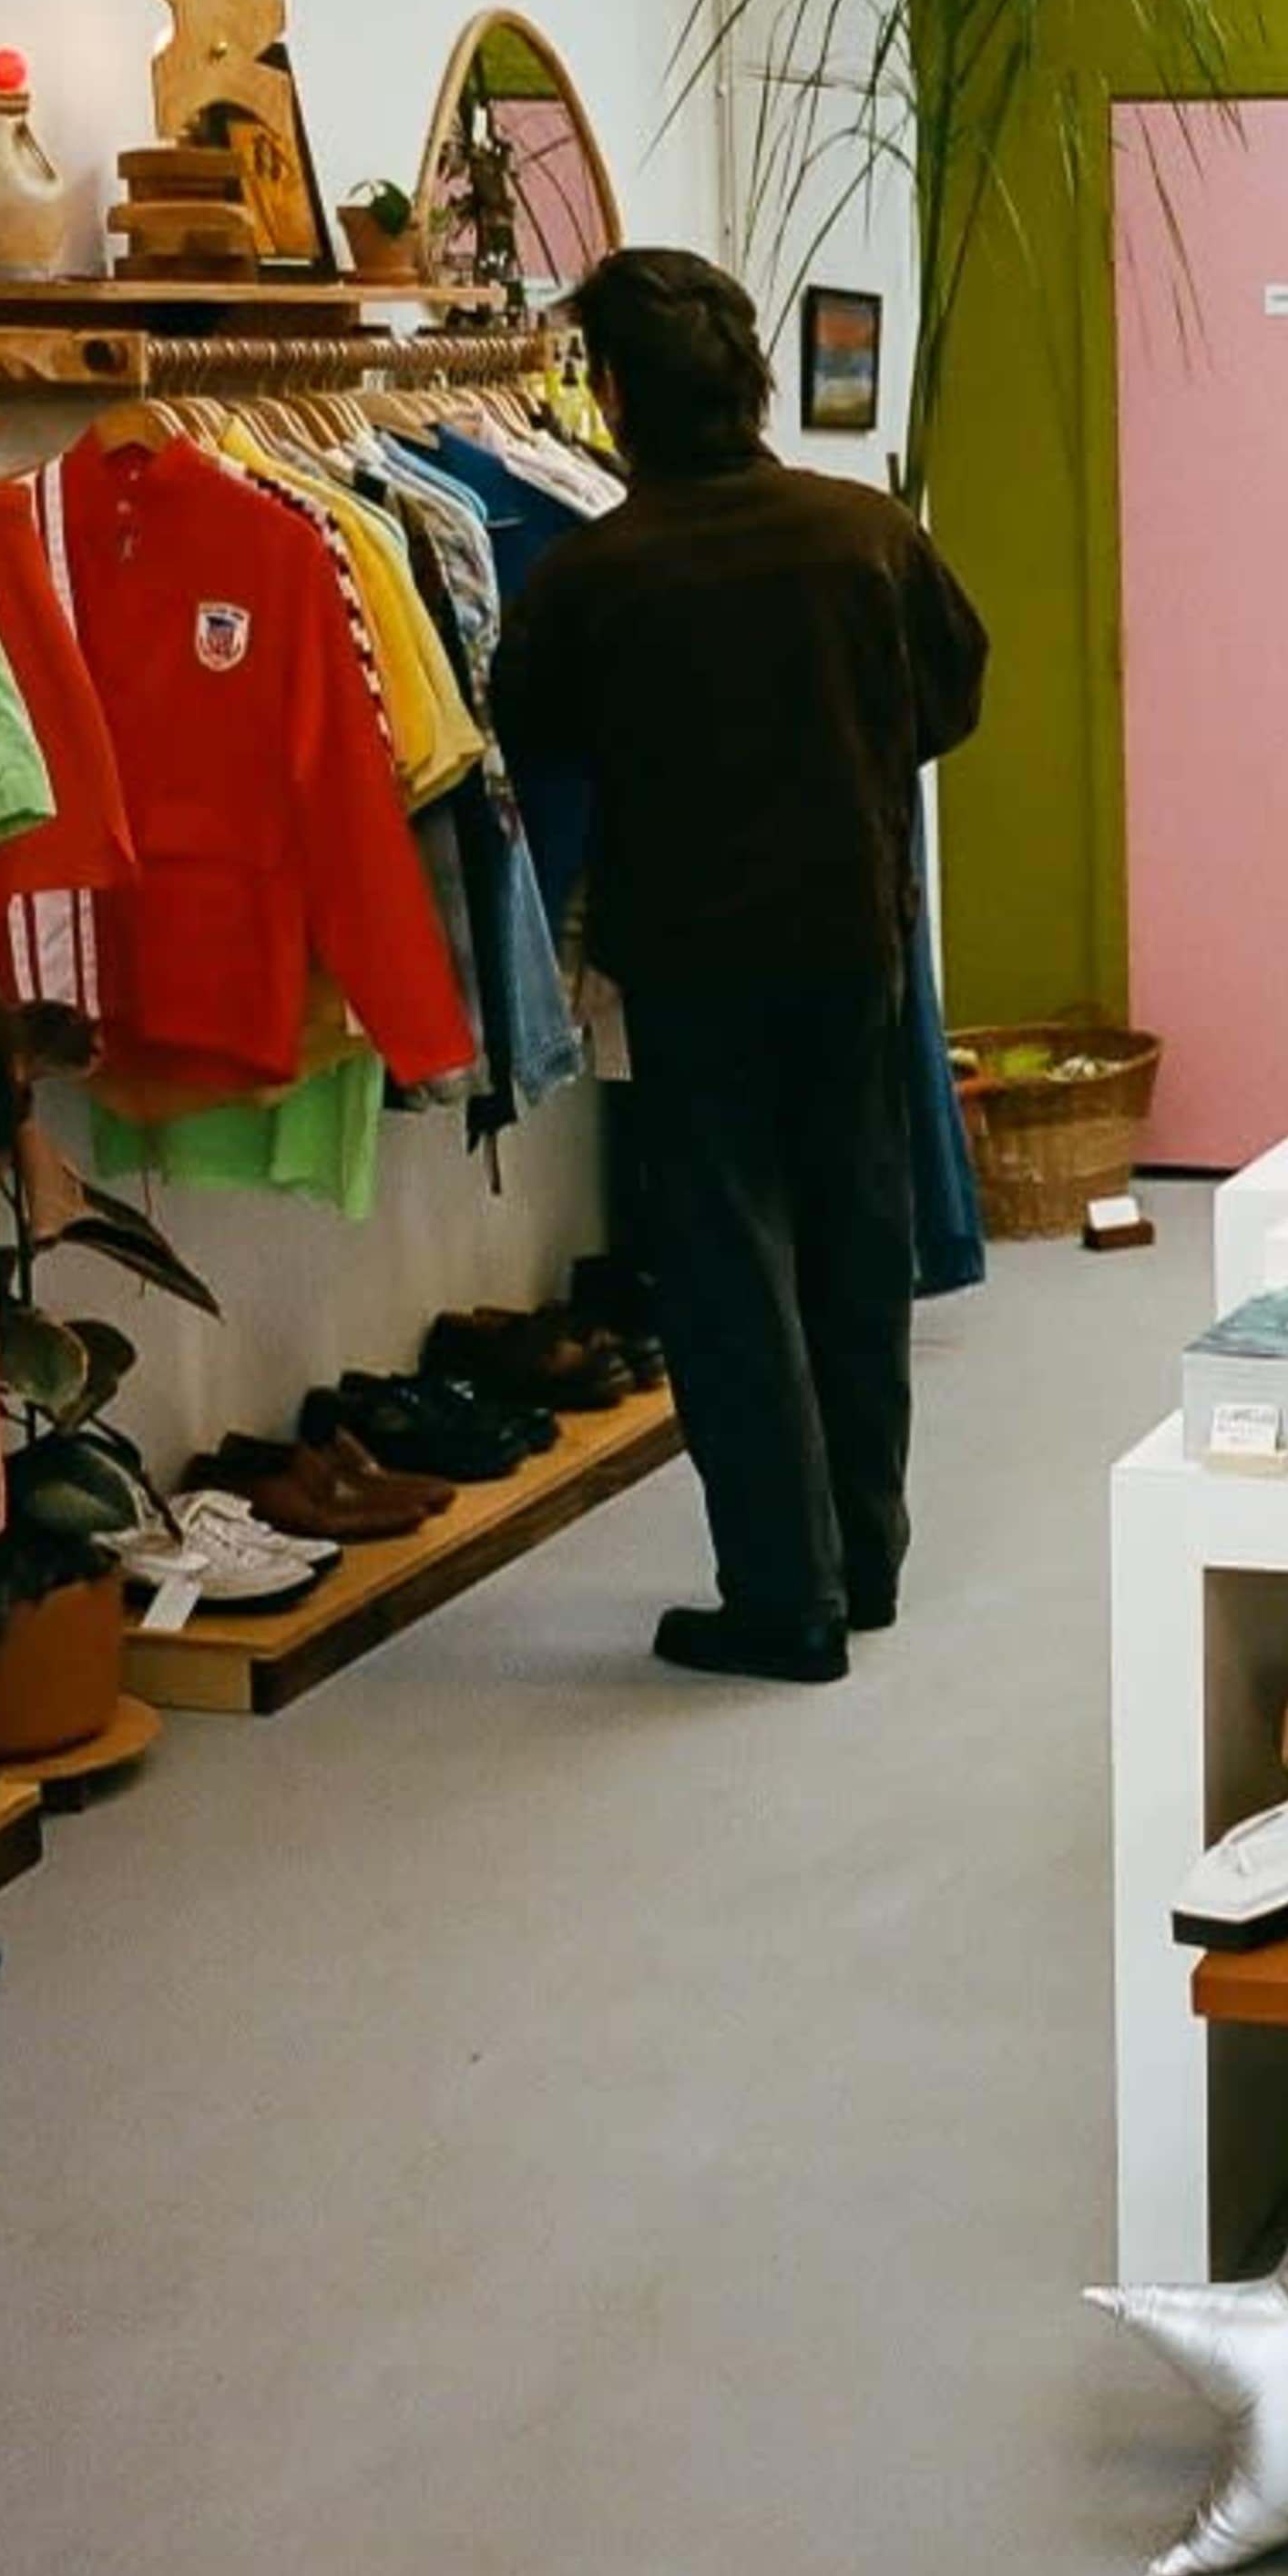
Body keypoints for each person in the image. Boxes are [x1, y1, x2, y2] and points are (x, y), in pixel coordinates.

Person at [493, 249, 988, 1684]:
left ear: (615, 391)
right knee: (853, 1240)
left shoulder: (596, 571)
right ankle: (867, 1556)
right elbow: (952, 689)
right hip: (852, 939)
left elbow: (534, 738)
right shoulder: (864, 534)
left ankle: (786, 1595)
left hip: (693, 959)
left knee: (727, 1268)